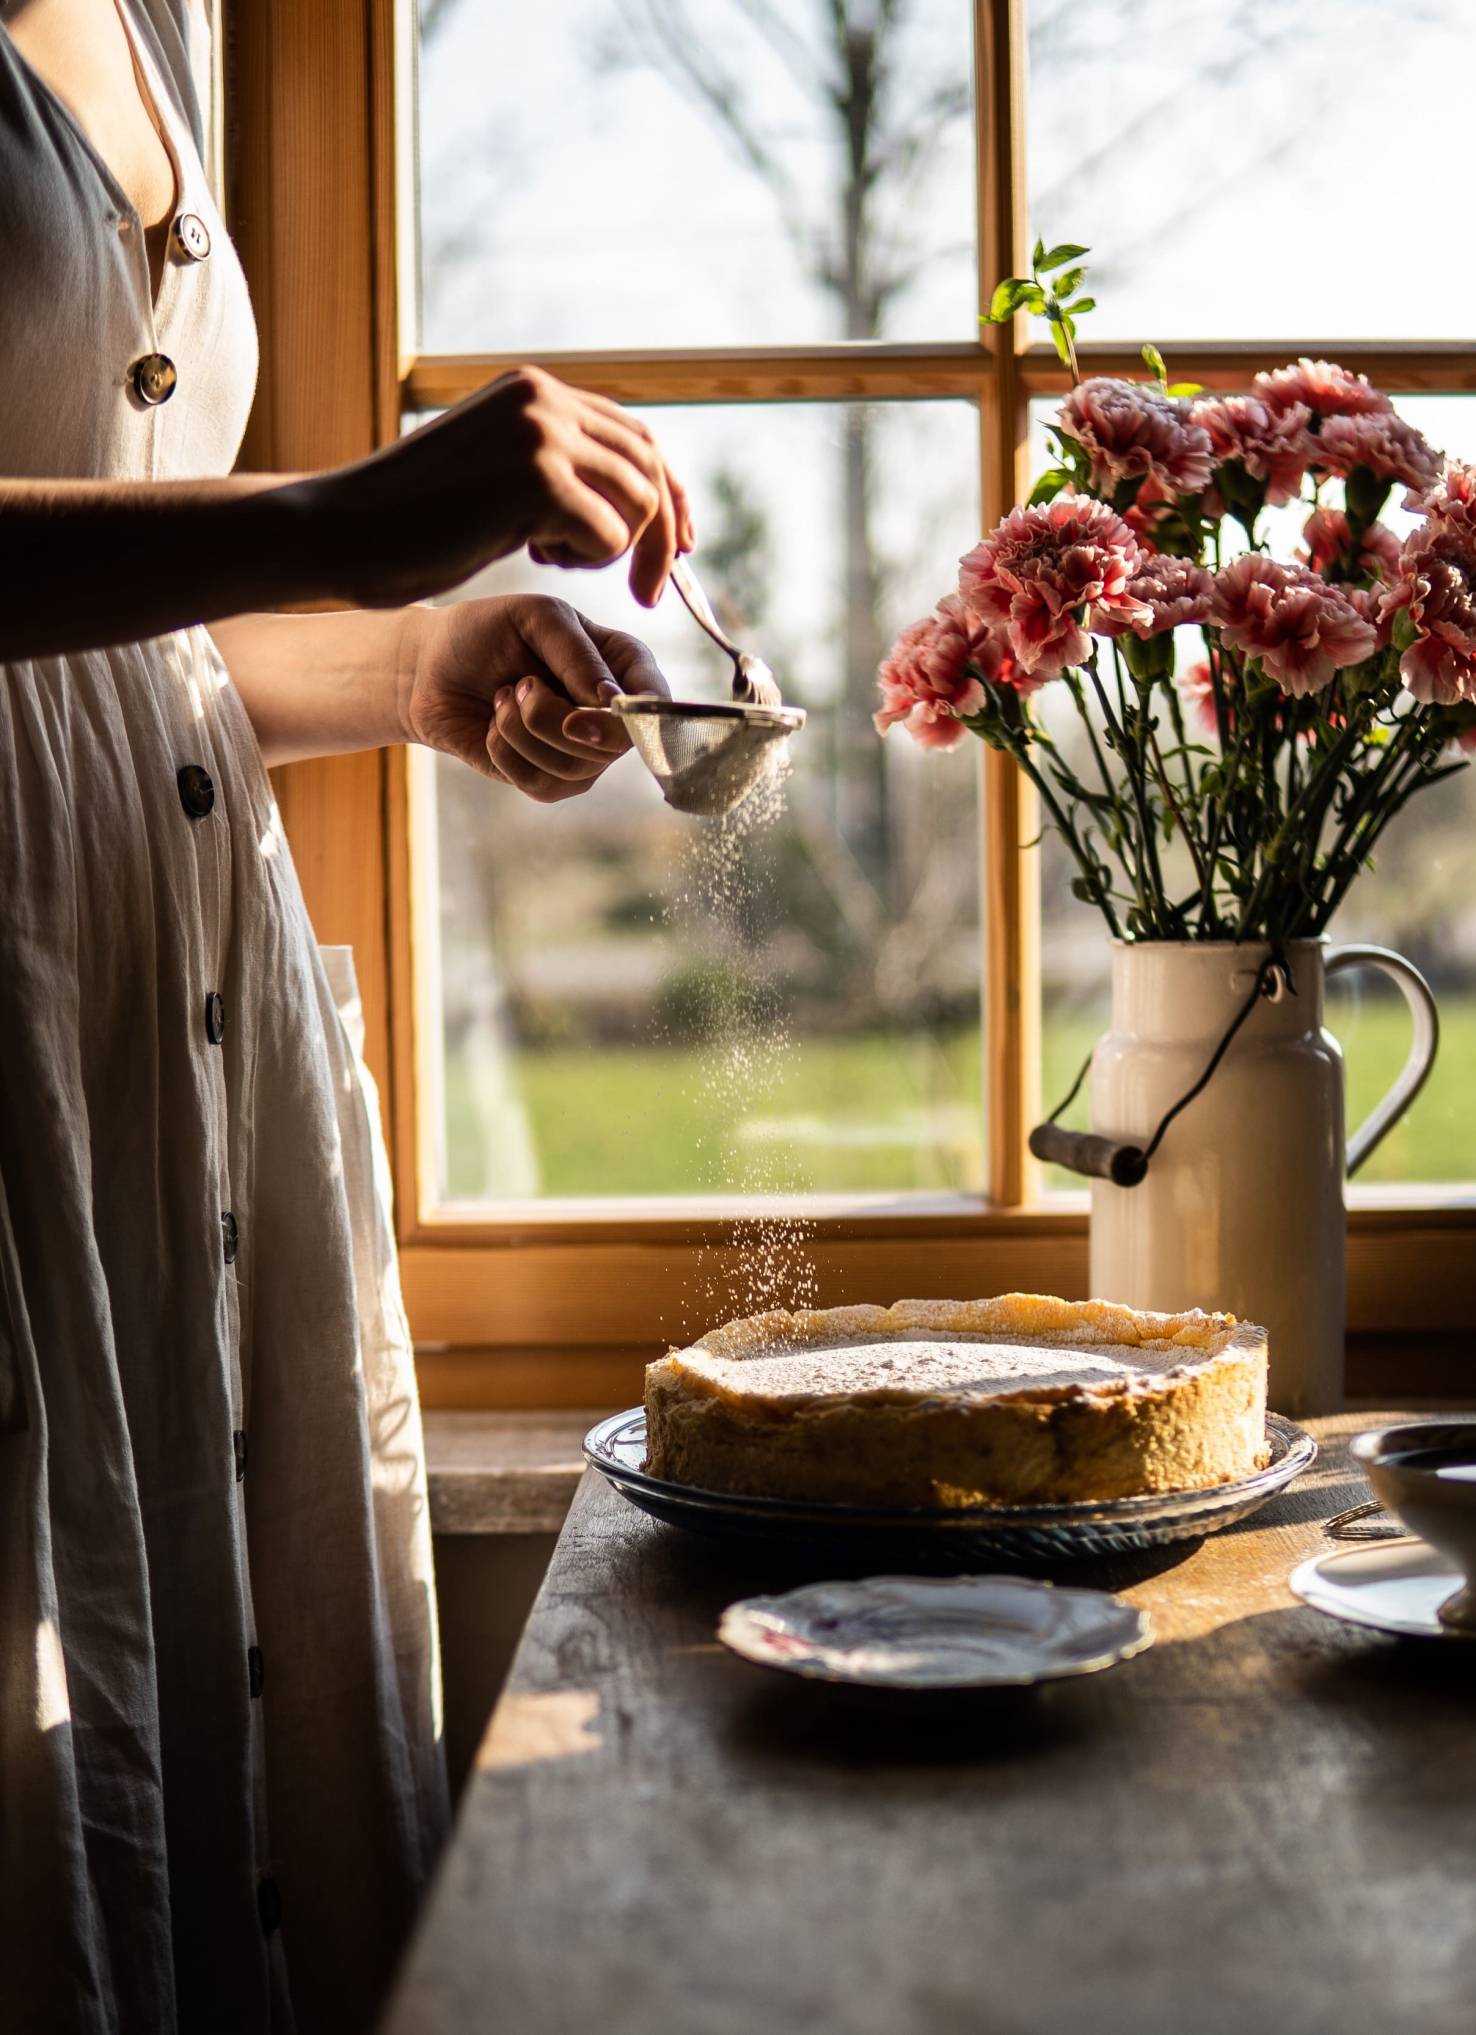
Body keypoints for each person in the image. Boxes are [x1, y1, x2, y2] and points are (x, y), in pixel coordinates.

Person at [0, 2, 693, 2029]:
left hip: (174, 1011)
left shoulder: (162, 19)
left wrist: (413, 669)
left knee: (168, 1718)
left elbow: (115, 618)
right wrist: (338, 515)